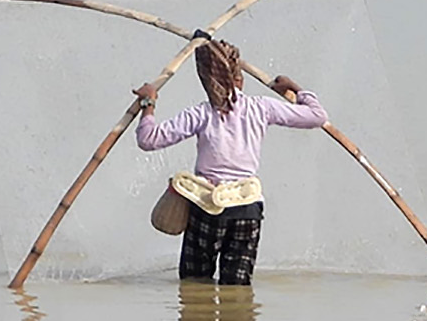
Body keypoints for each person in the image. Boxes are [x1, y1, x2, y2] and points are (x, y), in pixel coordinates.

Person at [133, 34, 329, 286]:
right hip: (247, 211)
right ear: (240, 79)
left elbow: (149, 139)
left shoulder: (202, 113)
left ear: (206, 79)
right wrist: (295, 89)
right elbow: (317, 116)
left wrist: (148, 101)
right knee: (237, 291)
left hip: (207, 210)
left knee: (195, 286)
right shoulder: (262, 107)